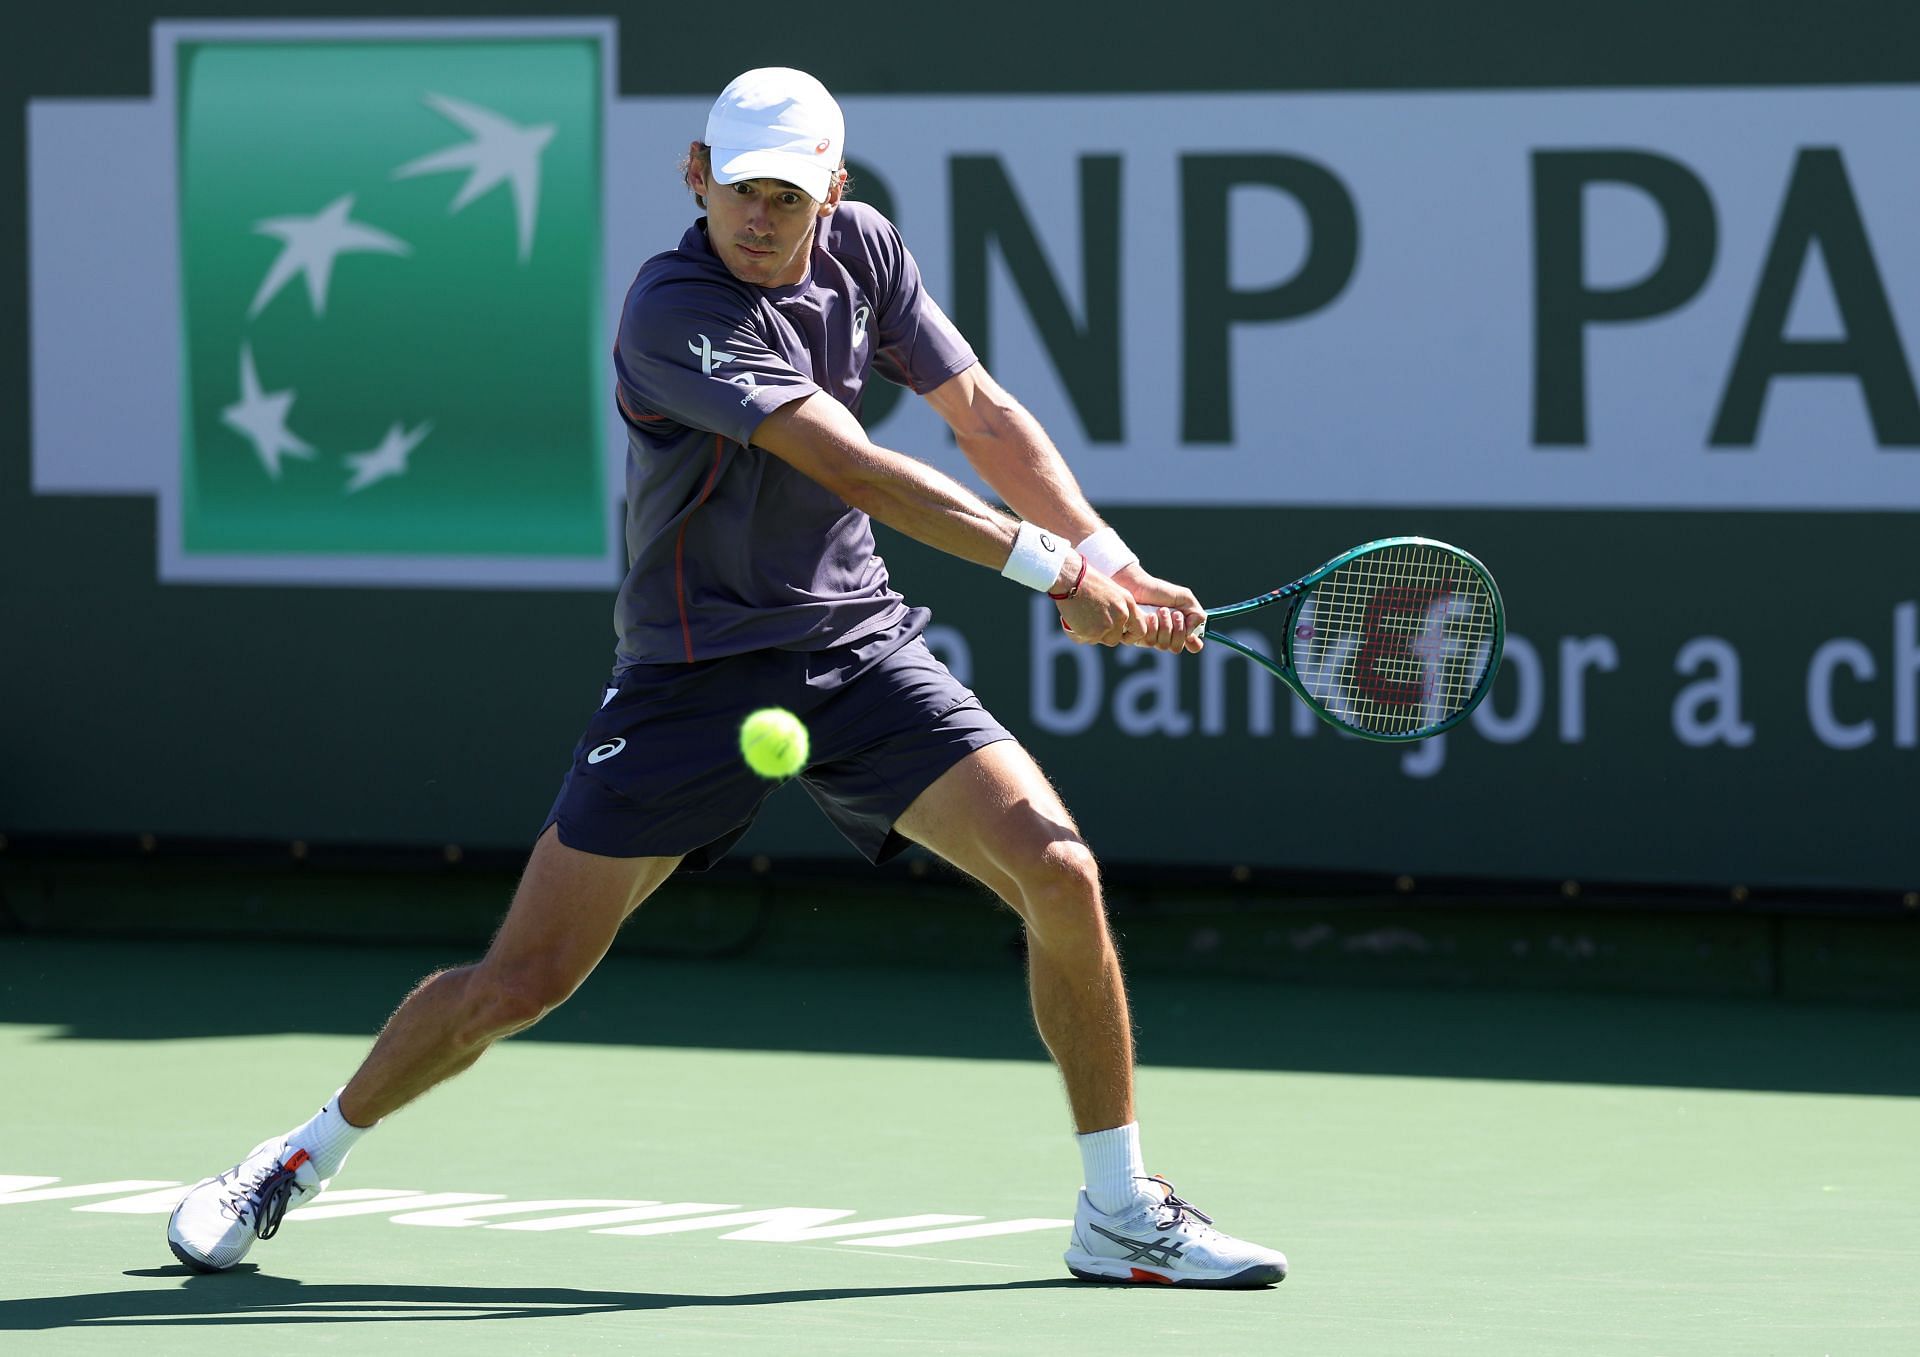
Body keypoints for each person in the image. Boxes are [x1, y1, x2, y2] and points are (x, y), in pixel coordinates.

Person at [167, 67, 1287, 1289]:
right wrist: (1059, 573)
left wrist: (1112, 558)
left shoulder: (864, 251)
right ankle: (297, 1159)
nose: (761, 218)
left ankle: (1120, 1208)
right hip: (692, 677)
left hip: (856, 646)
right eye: (741, 189)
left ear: (835, 194)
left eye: (789, 197)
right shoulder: (672, 310)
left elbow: (980, 411)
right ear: (696, 174)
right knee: (522, 981)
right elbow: (857, 467)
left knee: (1058, 868)